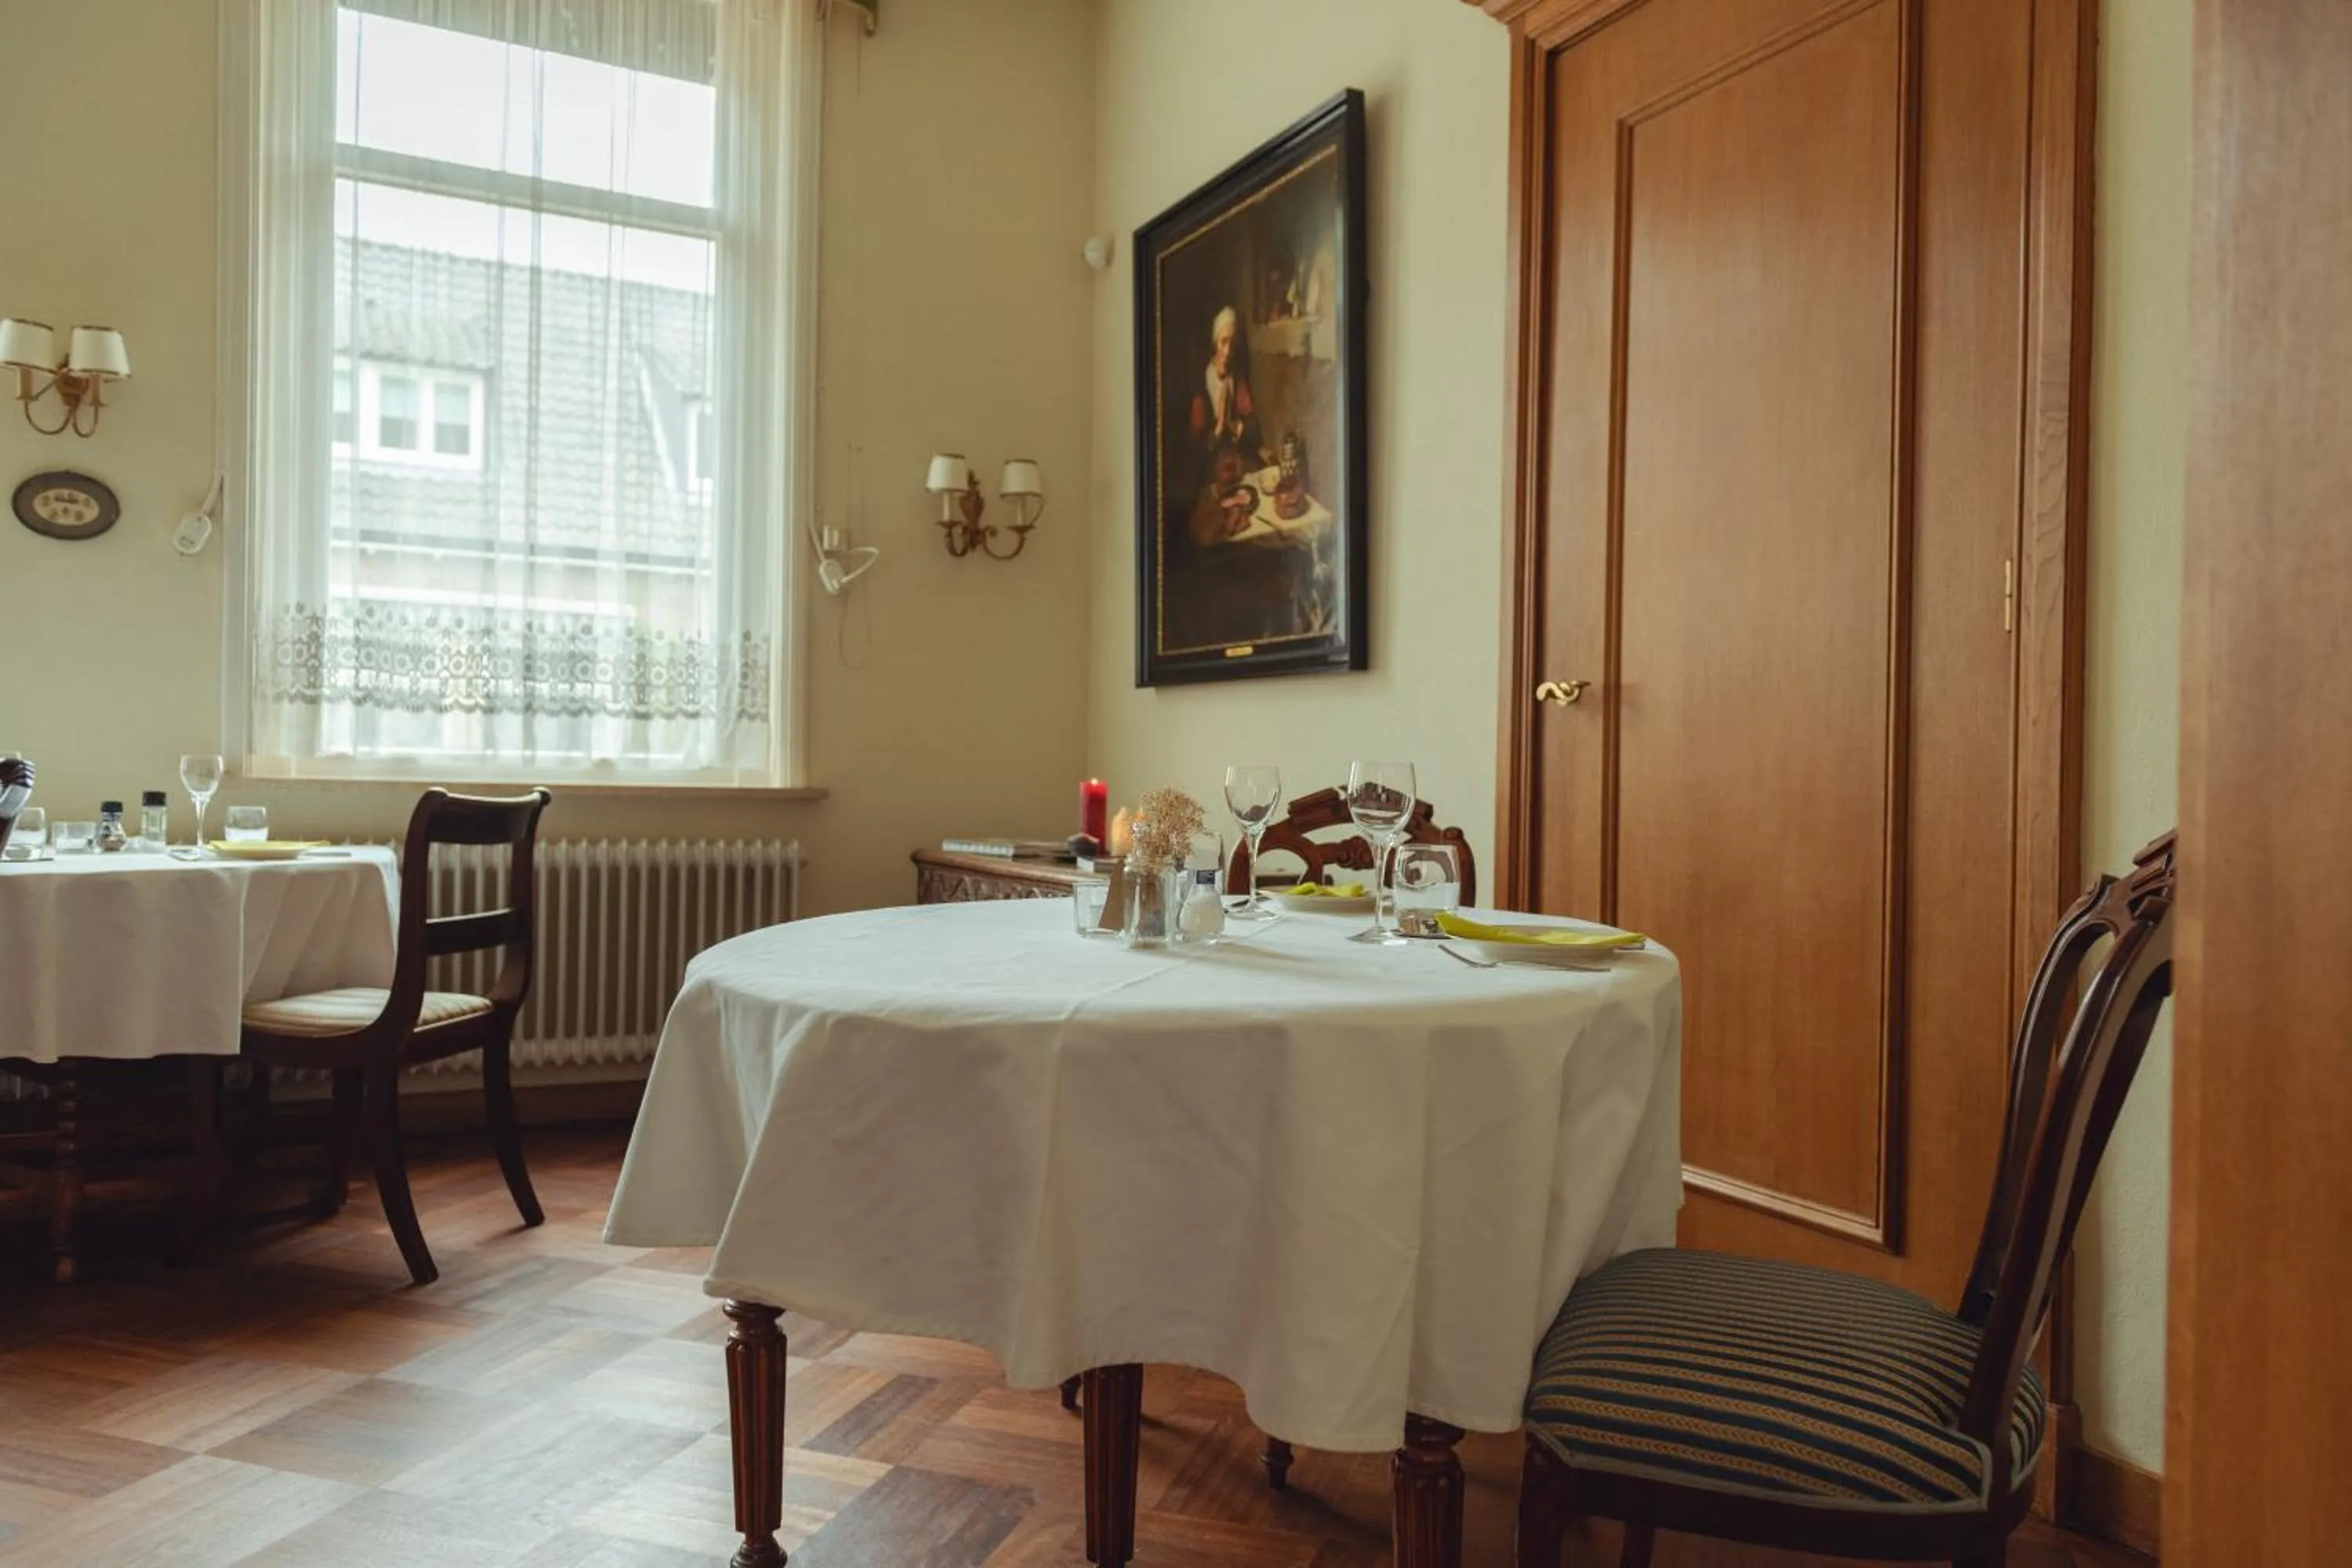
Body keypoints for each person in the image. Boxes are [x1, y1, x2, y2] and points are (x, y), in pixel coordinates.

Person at [1188, 305, 1263, 474]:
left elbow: (1254, 428)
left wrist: (1237, 427)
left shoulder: (1236, 379)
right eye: (1224, 342)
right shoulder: (1201, 384)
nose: (1228, 351)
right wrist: (1219, 429)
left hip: (1235, 462)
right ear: (1216, 344)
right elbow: (1195, 445)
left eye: (1232, 344)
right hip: (1209, 467)